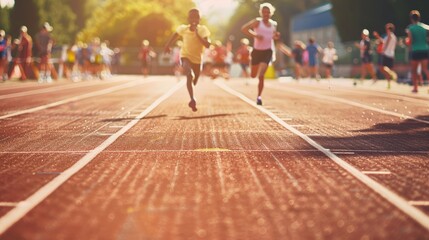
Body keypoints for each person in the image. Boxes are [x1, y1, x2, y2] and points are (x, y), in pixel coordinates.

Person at [164, 8, 211, 112]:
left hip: (198, 59)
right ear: (188, 19)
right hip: (185, 56)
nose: (194, 19)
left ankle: (192, 84)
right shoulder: (183, 29)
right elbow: (174, 36)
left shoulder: (203, 30)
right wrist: (167, 45)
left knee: (195, 79)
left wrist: (197, 34)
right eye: (192, 17)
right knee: (189, 75)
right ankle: (192, 99)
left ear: (200, 19)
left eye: (196, 17)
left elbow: (207, 45)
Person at [241, 2, 280, 105]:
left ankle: (259, 96)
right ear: (261, 13)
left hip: (267, 51)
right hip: (257, 51)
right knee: (253, 75)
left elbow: (273, 37)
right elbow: (244, 29)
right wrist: (255, 35)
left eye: (267, 12)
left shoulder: (274, 24)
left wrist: (276, 37)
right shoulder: (257, 22)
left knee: (261, 75)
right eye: (264, 12)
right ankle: (252, 64)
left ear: (271, 13)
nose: (266, 14)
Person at [406, 10, 429, 93]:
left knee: (414, 70)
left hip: (415, 50)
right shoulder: (424, 27)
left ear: (411, 19)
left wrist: (408, 43)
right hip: (425, 49)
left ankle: (415, 88)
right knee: (425, 69)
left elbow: (410, 40)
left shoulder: (410, 28)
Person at [373, 23, 398, 89]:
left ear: (389, 29)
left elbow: (387, 42)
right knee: (387, 68)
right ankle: (389, 83)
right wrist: (377, 36)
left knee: (381, 68)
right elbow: (383, 41)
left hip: (386, 54)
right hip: (391, 54)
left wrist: (384, 50)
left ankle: (390, 75)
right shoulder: (394, 37)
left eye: (387, 29)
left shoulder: (389, 35)